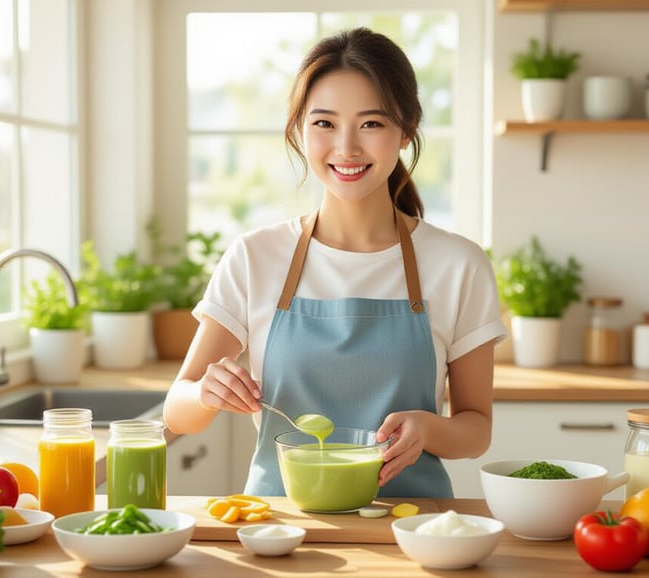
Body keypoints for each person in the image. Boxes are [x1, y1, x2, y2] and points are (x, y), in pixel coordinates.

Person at [163, 27, 506, 498]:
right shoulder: (255, 257)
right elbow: (176, 410)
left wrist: (428, 429)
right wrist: (206, 393)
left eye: (371, 124)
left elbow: (476, 430)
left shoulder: (458, 264)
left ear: (406, 130)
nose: (346, 148)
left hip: (412, 527)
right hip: (281, 528)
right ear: (299, 130)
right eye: (324, 123)